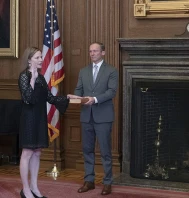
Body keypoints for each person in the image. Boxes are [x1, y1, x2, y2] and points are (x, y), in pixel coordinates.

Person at [18, 47, 79, 198]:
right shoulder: (24, 76)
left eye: (40, 57)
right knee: (27, 152)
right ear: (29, 59)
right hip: (28, 118)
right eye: (38, 57)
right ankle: (25, 190)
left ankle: (34, 187)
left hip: (39, 118)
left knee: (37, 152)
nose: (40, 60)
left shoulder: (41, 77)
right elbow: (28, 99)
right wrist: (32, 79)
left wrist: (67, 98)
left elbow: (49, 98)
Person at [74, 42, 118, 196]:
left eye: (95, 51)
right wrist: (75, 97)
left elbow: (112, 92)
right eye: (90, 51)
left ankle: (107, 183)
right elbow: (78, 90)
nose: (92, 54)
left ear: (103, 53)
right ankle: (89, 181)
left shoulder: (111, 71)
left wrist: (95, 99)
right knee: (87, 150)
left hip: (103, 117)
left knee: (105, 151)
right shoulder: (83, 71)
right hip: (86, 116)